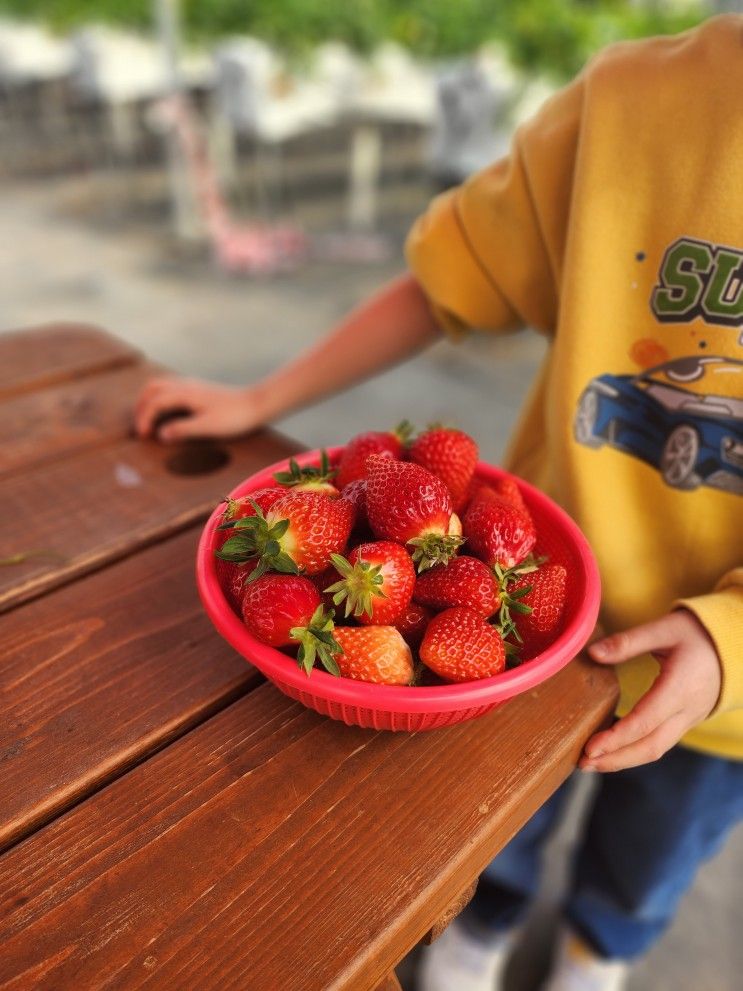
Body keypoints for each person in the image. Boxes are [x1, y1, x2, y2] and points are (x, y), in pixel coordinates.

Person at [135, 15, 743, 991]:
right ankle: (480, 927)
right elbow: (448, 279)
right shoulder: (630, 99)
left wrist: (730, 641)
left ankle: (595, 954)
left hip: (728, 706)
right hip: (530, 627)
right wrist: (261, 398)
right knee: (498, 818)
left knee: (643, 863)